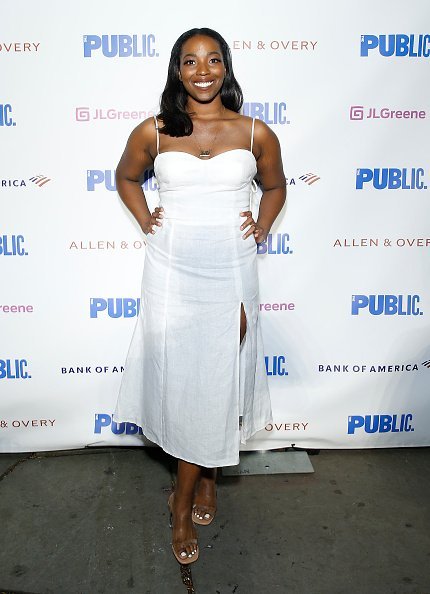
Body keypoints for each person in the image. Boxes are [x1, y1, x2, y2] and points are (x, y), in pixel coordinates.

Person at [114, 27, 286, 565]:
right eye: (191, 62)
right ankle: (201, 479)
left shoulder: (256, 132)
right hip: (171, 270)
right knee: (186, 381)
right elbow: (125, 177)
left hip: (231, 270)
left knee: (215, 378)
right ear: (177, 71)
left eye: (213, 60)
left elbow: (277, 185)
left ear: (226, 67)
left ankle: (182, 500)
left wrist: (261, 223)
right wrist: (148, 221)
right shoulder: (155, 132)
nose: (203, 71)